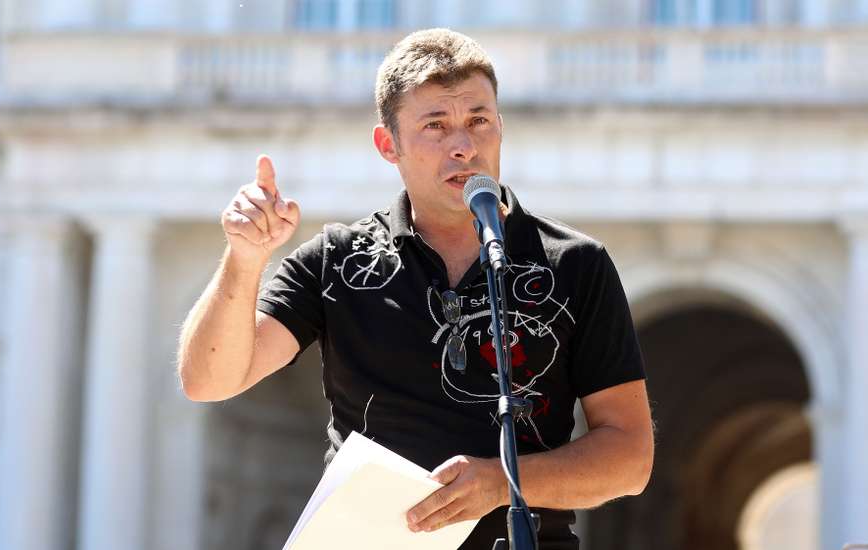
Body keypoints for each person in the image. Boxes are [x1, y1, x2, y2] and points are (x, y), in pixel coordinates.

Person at [177, 28, 654, 549]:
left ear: (500, 128)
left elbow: (629, 458)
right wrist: (245, 260)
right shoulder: (337, 259)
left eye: (479, 121)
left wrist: (500, 484)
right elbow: (210, 379)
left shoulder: (577, 264)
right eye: (436, 125)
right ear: (389, 144)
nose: (464, 146)